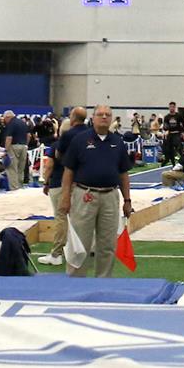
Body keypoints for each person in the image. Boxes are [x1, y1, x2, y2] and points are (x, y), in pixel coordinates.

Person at [59, 106, 134, 279]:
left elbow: (123, 173)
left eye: (108, 115)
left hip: (110, 196)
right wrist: (65, 197)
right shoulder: (80, 140)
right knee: (81, 242)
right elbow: (68, 171)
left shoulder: (117, 142)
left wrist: (127, 200)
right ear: (92, 118)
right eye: (100, 115)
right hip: (85, 194)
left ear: (112, 119)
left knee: (107, 244)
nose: (104, 118)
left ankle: (104, 281)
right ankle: (76, 282)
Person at [41, 107, 89, 267]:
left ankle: (57, 253)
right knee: (80, 216)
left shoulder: (59, 144)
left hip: (59, 182)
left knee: (61, 217)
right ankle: (86, 248)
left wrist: (46, 181)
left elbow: (50, 164)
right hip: (81, 182)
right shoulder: (88, 135)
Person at [2, 110, 29, 190]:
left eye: (5, 119)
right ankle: (20, 187)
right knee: (21, 168)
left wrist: (6, 150)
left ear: (8, 117)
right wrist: (25, 145)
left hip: (14, 147)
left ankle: (14, 189)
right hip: (24, 146)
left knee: (12, 168)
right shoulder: (23, 122)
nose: (5, 121)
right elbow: (29, 135)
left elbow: (9, 138)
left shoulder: (11, 124)